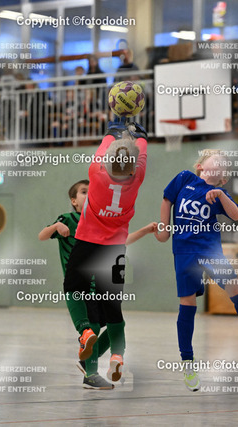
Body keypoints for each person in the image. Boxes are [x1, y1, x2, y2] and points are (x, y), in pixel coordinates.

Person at [155, 149, 238, 392]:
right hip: (185, 251)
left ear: (223, 178)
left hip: (210, 251)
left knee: (235, 288)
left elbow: (236, 215)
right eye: (216, 159)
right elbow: (167, 200)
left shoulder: (220, 194)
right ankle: (188, 362)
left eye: (224, 164)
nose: (221, 163)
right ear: (201, 166)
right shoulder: (185, 178)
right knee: (188, 302)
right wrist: (164, 228)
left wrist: (221, 194)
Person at [39, 180, 155, 389]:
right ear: (73, 201)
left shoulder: (100, 222)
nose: (88, 195)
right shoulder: (68, 219)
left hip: (102, 284)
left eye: (91, 191)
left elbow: (121, 240)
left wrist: (145, 230)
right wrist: (55, 226)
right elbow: (42, 235)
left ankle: (87, 362)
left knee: (115, 326)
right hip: (82, 286)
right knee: (91, 327)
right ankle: (90, 374)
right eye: (83, 192)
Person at [62, 117, 148, 389]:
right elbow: (142, 160)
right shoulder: (136, 180)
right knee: (113, 307)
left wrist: (111, 133)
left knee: (72, 288)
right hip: (114, 250)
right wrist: (141, 138)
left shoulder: (97, 176)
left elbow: (101, 152)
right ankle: (117, 356)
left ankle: (84, 331)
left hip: (88, 243)